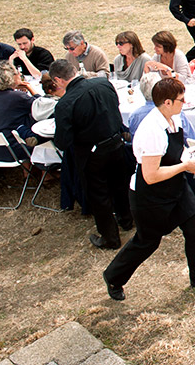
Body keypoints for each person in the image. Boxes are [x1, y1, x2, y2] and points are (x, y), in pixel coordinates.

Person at [103, 77, 195, 302]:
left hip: (176, 186)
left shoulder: (173, 118)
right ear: (166, 102)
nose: (184, 102)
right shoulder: (152, 130)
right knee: (147, 241)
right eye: (181, 99)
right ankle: (113, 277)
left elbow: (178, 151)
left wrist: (193, 163)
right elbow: (151, 175)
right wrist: (186, 167)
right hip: (150, 195)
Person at [50, 58, 133, 250]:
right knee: (120, 185)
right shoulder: (103, 83)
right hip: (116, 143)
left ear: (58, 80)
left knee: (99, 195)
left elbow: (63, 141)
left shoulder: (65, 104)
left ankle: (110, 238)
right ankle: (126, 220)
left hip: (92, 153)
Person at [0, 60, 39, 155]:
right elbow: (42, 106)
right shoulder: (17, 96)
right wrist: (30, 88)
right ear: (10, 77)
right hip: (13, 148)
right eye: (17, 73)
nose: (20, 74)